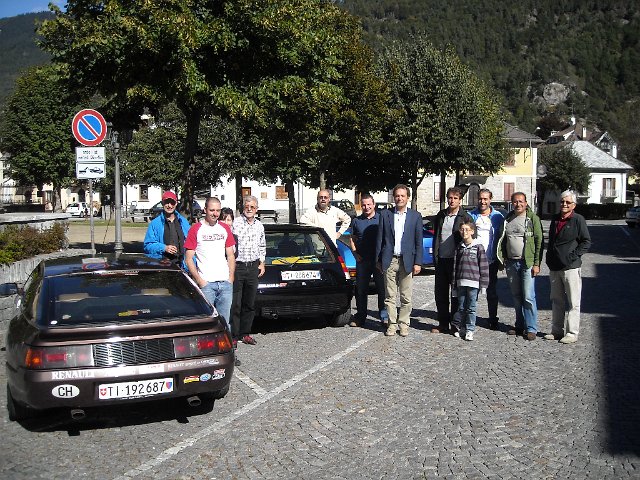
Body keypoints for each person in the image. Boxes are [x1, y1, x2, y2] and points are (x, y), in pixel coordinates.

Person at [376, 184, 423, 337]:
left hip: (407, 260)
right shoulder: (385, 214)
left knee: (406, 297)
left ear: (407, 198)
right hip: (389, 260)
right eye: (397, 196)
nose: (400, 198)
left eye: (403, 196)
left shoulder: (415, 216)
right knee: (389, 296)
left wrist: (418, 262)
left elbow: (418, 241)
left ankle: (403, 324)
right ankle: (391, 324)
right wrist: (378, 260)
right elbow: (380, 239)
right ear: (393, 197)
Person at [544, 190, 591, 344]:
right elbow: (552, 241)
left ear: (574, 205)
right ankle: (557, 331)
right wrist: (549, 258)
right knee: (556, 300)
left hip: (571, 267)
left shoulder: (578, 220)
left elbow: (586, 242)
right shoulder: (555, 219)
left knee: (573, 302)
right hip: (555, 267)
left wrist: (571, 257)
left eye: (568, 202)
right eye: (562, 201)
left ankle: (572, 333)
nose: (564, 204)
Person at [496, 192, 544, 341]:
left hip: (527, 262)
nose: (518, 204)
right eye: (515, 202)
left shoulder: (532, 219)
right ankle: (520, 325)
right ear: (512, 203)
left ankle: (531, 328)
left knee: (528, 296)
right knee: (516, 296)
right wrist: (502, 257)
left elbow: (539, 241)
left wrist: (536, 263)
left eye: (521, 201)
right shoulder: (507, 219)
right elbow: (502, 240)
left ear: (526, 203)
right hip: (511, 263)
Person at [184, 197, 236, 327]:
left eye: (218, 210)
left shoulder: (224, 228)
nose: (215, 213)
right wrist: (200, 280)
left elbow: (230, 255)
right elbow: (188, 258)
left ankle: (227, 342)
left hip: (225, 283)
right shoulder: (196, 229)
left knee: (225, 324)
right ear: (205, 210)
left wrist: (230, 278)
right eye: (212, 210)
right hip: (207, 285)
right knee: (207, 323)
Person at [432, 186, 473, 334]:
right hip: (441, 260)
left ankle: (455, 324)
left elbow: (471, 237)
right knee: (440, 294)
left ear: (460, 200)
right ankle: (443, 323)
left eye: (455, 198)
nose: (452, 200)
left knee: (456, 294)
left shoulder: (465, 217)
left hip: (457, 261)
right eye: (450, 198)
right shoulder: (441, 215)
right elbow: (437, 235)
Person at [348, 193, 387, 328]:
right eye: (364, 205)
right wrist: (355, 254)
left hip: (378, 261)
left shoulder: (381, 219)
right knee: (361, 290)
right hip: (362, 261)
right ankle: (360, 317)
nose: (366, 207)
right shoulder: (356, 221)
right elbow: (352, 238)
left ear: (374, 204)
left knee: (382, 290)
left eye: (369, 204)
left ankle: (384, 317)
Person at [231, 195, 266, 347]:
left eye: (252, 207)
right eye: (247, 206)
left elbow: (262, 245)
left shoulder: (259, 226)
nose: (250, 209)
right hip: (238, 266)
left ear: (257, 209)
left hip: (253, 267)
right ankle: (234, 335)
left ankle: (245, 333)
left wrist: (262, 262)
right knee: (236, 303)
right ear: (243, 207)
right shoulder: (236, 223)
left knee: (249, 303)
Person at [468, 188, 505, 330]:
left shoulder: (498, 217)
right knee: (472, 292)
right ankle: (470, 319)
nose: (482, 202)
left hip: (491, 260)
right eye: (480, 199)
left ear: (490, 200)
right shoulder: (471, 216)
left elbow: (502, 238)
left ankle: (493, 318)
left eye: (485, 199)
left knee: (492, 292)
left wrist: (501, 258)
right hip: (474, 260)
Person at [452, 221, 489, 341]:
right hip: (461, 282)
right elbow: (455, 267)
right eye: (462, 229)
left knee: (471, 308)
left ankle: (470, 329)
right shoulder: (459, 247)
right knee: (461, 307)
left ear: (472, 231)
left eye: (467, 229)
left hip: (474, 283)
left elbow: (484, 266)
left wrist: (484, 285)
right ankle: (462, 328)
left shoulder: (478, 247)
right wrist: (454, 284)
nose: (464, 232)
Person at [143, 191, 190, 269]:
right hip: (162, 267)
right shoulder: (155, 224)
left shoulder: (183, 222)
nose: (169, 205)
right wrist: (164, 248)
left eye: (172, 203)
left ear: (176, 203)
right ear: (162, 203)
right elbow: (148, 246)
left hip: (183, 266)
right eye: (167, 202)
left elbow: (191, 244)